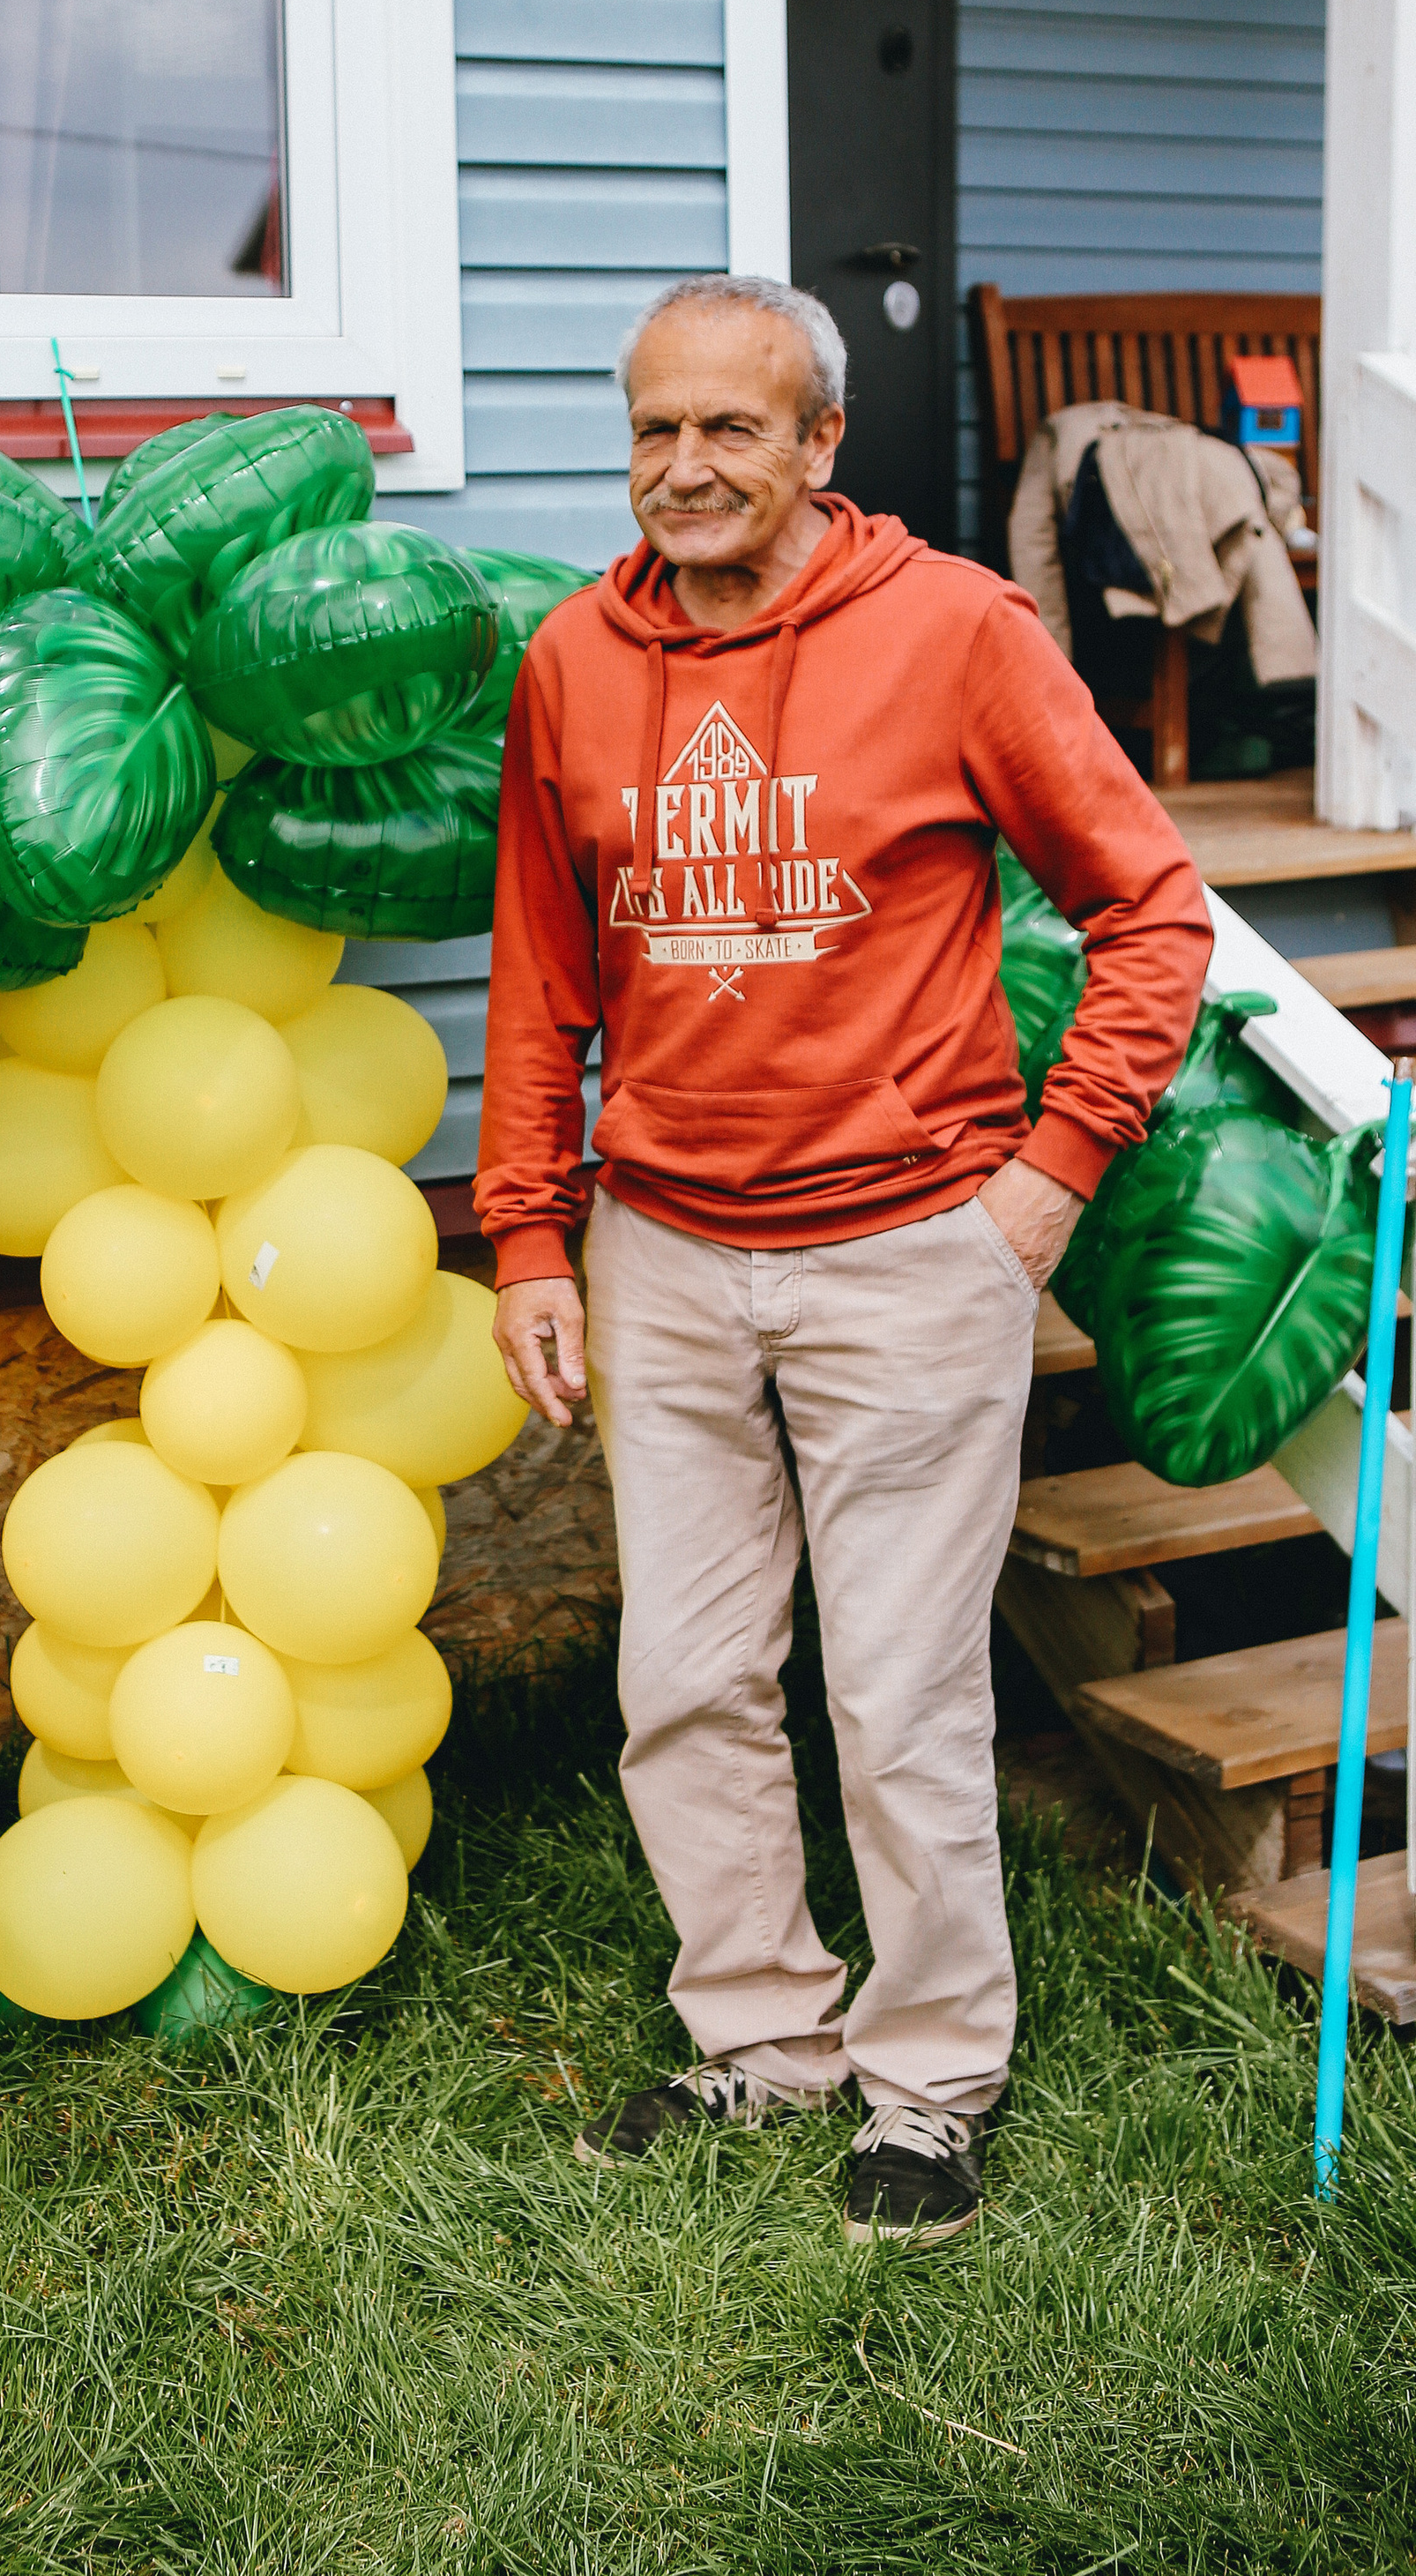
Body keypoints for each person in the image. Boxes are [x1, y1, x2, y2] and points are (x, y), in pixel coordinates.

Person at [478, 278, 1209, 2245]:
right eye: (651, 429)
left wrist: (1044, 1180)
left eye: (730, 429)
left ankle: (927, 2077)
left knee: (897, 1698)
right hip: (665, 1247)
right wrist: (530, 1229)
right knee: (684, 1677)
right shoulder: (569, 660)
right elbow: (543, 976)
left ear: (820, 445)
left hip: (909, 1248)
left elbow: (1148, 915)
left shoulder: (955, 632)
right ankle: (762, 2037)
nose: (682, 468)